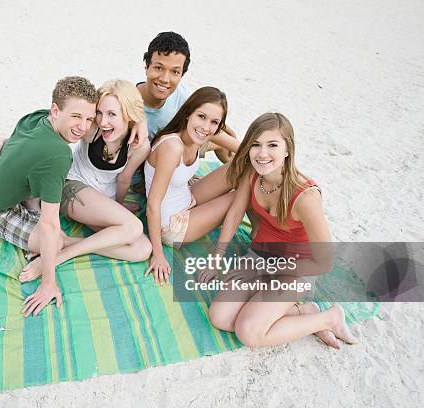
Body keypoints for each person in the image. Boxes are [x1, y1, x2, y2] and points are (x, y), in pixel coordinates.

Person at [205, 112, 357, 349]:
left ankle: (329, 318)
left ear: (288, 149)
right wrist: (216, 259)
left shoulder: (306, 197)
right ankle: (304, 312)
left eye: (272, 145)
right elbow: (235, 214)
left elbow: (325, 262)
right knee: (221, 317)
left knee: (249, 333)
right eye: (255, 145)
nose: (262, 154)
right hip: (259, 257)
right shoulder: (253, 172)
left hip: (296, 269)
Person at [0, 80, 152, 282]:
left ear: (129, 114)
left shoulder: (139, 146)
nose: (103, 121)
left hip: (100, 201)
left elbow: (124, 180)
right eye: (99, 113)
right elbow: (52, 122)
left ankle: (69, 243)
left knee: (142, 249)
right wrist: (5, 141)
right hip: (71, 187)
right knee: (133, 227)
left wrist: (118, 210)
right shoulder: (92, 129)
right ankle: (55, 258)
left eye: (112, 115)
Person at [0, 76, 98, 317]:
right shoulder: (58, 154)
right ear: (56, 110)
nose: (83, 127)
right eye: (76, 117)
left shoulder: (38, 116)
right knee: (55, 239)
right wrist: (48, 283)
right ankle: (89, 244)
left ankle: (86, 242)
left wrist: (1, 141)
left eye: (89, 118)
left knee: (49, 228)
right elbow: (48, 223)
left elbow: (17, 141)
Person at [144, 87, 239, 285]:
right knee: (240, 195)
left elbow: (248, 150)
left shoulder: (203, 134)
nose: (206, 126)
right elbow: (153, 204)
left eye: (214, 122)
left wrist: (292, 171)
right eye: (202, 117)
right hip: (171, 225)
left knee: (244, 166)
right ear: (188, 113)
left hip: (188, 198)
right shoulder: (172, 146)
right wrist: (158, 254)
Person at [137, 32, 240, 162]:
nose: (164, 79)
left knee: (224, 145)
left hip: (184, 148)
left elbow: (209, 118)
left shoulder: (181, 94)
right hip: (155, 163)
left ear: (181, 75)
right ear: (146, 67)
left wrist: (233, 138)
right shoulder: (128, 101)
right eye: (158, 68)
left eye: (175, 72)